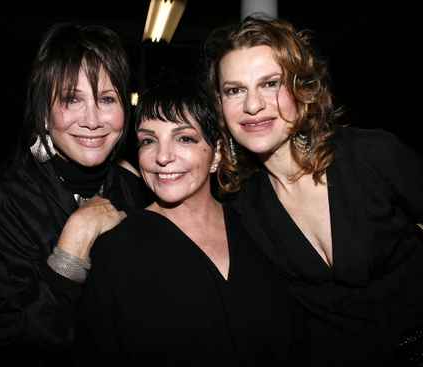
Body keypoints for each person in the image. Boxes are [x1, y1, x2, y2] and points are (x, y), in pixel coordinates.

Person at [203, 14, 423, 367]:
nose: (252, 105)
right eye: (234, 90)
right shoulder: (243, 202)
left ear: (301, 87)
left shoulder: (374, 155)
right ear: (221, 105)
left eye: (270, 83)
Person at [73, 71, 309, 366]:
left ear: (217, 153)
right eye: (148, 141)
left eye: (184, 138)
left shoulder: (258, 228)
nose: (162, 156)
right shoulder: (114, 252)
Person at [0, 23, 146, 366]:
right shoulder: (8, 204)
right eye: (72, 99)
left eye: (106, 99)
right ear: (44, 111)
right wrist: (70, 251)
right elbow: (6, 341)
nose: (92, 120)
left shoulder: (133, 189)